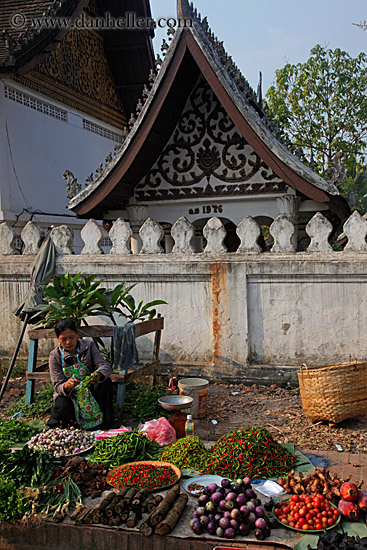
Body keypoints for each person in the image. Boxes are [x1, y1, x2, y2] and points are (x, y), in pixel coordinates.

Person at [47, 318, 114, 430]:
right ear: (58, 338)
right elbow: (57, 385)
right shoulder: (55, 356)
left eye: (71, 337)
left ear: (77, 334)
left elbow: (104, 365)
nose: (68, 342)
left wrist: (98, 375)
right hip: (71, 395)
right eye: (64, 339)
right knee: (62, 405)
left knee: (105, 383)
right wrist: (67, 386)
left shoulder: (89, 346)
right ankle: (69, 427)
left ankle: (106, 425)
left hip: (89, 390)